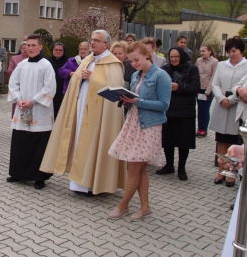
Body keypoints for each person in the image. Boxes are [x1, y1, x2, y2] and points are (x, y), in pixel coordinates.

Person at [40, 30, 127, 195]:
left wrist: (93, 78)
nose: (92, 43)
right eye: (92, 39)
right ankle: (77, 184)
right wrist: (80, 78)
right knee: (79, 141)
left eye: (97, 40)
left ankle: (94, 184)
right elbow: (74, 79)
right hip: (81, 109)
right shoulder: (88, 59)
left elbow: (115, 89)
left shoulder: (113, 64)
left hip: (99, 115)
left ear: (106, 44)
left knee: (95, 145)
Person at [108, 42, 171, 220]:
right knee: (140, 169)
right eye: (131, 61)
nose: (134, 64)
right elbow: (136, 97)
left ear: (147, 55)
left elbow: (164, 105)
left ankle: (123, 206)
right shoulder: (136, 75)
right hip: (134, 121)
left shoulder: (161, 76)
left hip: (149, 126)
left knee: (134, 169)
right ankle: (144, 207)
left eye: (136, 60)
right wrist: (127, 100)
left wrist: (137, 102)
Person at [7, 34, 56, 189]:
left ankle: (39, 177)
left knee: (38, 145)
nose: (30, 48)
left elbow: (50, 87)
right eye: (28, 45)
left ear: (40, 47)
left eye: (34, 45)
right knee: (20, 143)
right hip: (22, 109)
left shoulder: (46, 65)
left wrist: (32, 101)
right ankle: (18, 173)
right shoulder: (22, 64)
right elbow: (13, 83)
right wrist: (18, 99)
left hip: (40, 111)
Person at [157, 47, 200, 181]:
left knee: (183, 141)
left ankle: (182, 168)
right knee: (168, 139)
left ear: (181, 56)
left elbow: (195, 88)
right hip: (169, 108)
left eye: (176, 57)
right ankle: (169, 165)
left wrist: (178, 87)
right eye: (171, 57)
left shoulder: (192, 69)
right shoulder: (165, 69)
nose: (174, 59)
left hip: (185, 110)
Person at [209, 36, 247, 187]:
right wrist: (220, 98)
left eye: (234, 51)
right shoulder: (222, 65)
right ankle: (221, 171)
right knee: (222, 141)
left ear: (241, 51)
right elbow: (215, 83)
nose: (231, 54)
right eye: (229, 51)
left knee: (234, 142)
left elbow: (242, 86)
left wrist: (231, 100)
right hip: (221, 106)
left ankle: (231, 174)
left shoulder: (246, 66)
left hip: (236, 108)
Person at [195, 45, 218, 137]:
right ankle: (199, 128)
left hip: (208, 88)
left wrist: (208, 90)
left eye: (203, 51)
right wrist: (196, 88)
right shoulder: (198, 61)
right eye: (200, 51)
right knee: (199, 109)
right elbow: (195, 74)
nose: (201, 53)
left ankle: (204, 128)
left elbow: (214, 76)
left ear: (209, 52)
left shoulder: (215, 62)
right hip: (199, 88)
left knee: (205, 109)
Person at [8, 41, 29, 117]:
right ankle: (15, 118)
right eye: (23, 48)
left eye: (27, 48)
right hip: (18, 85)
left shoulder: (33, 59)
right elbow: (10, 71)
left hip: (29, 85)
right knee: (17, 103)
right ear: (20, 49)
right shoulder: (14, 58)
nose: (25, 50)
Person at [48, 42, 67, 119]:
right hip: (49, 91)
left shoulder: (68, 61)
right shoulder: (47, 61)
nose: (58, 51)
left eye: (60, 50)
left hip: (62, 91)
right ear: (52, 50)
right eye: (56, 50)